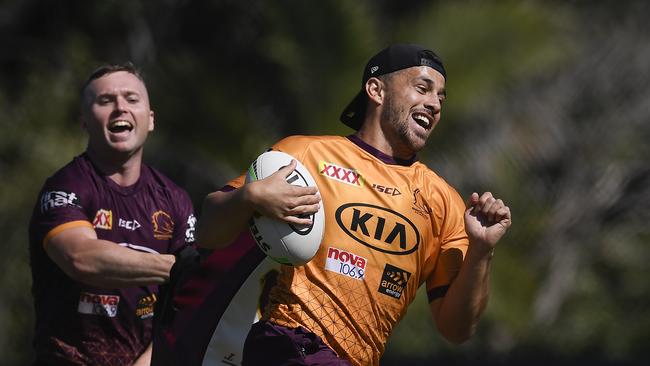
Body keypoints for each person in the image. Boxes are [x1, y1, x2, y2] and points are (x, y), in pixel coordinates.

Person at [154, 43, 511, 366]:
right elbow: (208, 230)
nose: (434, 104)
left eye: (441, 98)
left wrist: (481, 251)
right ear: (376, 90)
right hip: (288, 345)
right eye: (422, 88)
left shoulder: (444, 202)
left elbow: (456, 329)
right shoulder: (305, 154)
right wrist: (250, 196)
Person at [28, 62, 197, 365]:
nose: (120, 107)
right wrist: (176, 267)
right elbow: (81, 257)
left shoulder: (174, 200)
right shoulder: (65, 187)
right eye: (105, 100)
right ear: (84, 121)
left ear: (151, 120)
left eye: (132, 99)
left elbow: (189, 303)